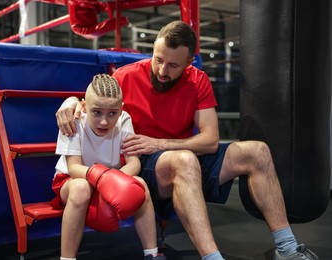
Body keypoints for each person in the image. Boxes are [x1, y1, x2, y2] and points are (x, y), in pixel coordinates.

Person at [55, 21, 319, 260]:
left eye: (172, 66)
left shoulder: (198, 80)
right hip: (145, 164)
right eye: (158, 59)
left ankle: (287, 249)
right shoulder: (126, 76)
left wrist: (159, 143)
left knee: (257, 151)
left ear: (189, 62)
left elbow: (210, 141)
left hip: (177, 153)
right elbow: (96, 105)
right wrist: (70, 102)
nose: (161, 70)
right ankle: (212, 258)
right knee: (184, 159)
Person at [51, 74, 166, 260]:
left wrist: (113, 182)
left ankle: (152, 254)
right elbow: (73, 168)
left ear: (120, 110)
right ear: (84, 106)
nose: (104, 121)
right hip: (73, 181)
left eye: (112, 113)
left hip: (111, 180)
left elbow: (134, 163)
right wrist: (105, 179)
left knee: (141, 185)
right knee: (81, 188)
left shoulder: (124, 120)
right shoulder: (73, 120)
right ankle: (67, 258)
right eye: (96, 112)